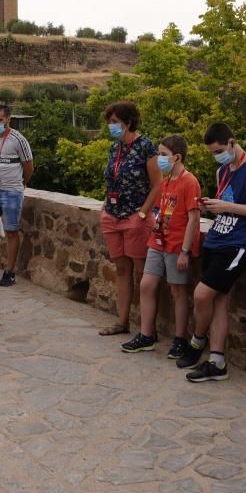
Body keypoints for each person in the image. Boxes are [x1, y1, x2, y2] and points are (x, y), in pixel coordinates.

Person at [182, 123, 246, 382]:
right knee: (219, 301)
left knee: (201, 295)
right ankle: (217, 361)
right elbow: (229, 205)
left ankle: (197, 342)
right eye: (213, 152)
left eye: (220, 150)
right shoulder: (223, 170)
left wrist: (226, 205)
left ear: (232, 142)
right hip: (217, 239)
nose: (217, 155)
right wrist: (213, 206)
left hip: (237, 244)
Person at [120, 135, 201, 358]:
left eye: (164, 155)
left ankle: (180, 339)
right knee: (147, 284)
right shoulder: (165, 183)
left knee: (177, 291)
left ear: (177, 157)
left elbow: (194, 218)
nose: (160, 160)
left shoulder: (189, 182)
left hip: (176, 245)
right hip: (158, 241)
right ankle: (146, 335)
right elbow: (159, 211)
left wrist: (185, 251)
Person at [96, 101, 160, 338]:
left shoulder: (146, 147)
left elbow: (157, 186)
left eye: (115, 122)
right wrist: (106, 210)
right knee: (122, 269)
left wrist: (142, 214)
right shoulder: (115, 148)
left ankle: (147, 329)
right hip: (113, 216)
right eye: (109, 122)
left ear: (129, 122)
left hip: (136, 217)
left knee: (143, 273)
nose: (111, 126)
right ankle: (122, 322)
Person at [0, 104, 33, 287]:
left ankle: (10, 271)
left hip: (12, 190)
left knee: (11, 231)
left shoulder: (18, 139)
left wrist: (22, 182)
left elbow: (28, 165)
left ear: (8, 119)